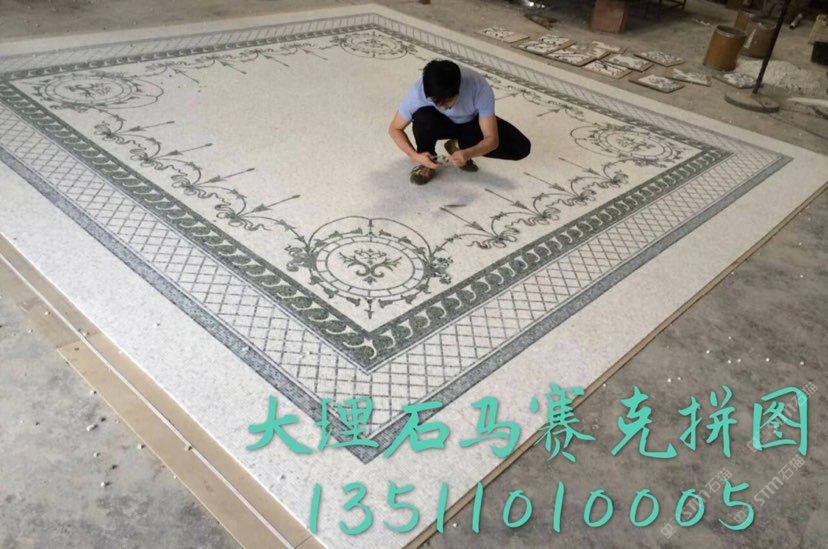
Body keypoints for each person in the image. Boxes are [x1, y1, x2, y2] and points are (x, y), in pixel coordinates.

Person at [388, 59, 531, 185]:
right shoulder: (418, 93)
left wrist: (468, 153)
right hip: (438, 123)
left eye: (448, 102)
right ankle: (427, 160)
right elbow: (394, 129)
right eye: (437, 102)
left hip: (469, 123)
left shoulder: (479, 88)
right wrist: (415, 156)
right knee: (423, 118)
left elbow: (492, 139)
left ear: (458, 91)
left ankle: (457, 145)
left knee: (521, 148)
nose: (443, 107)